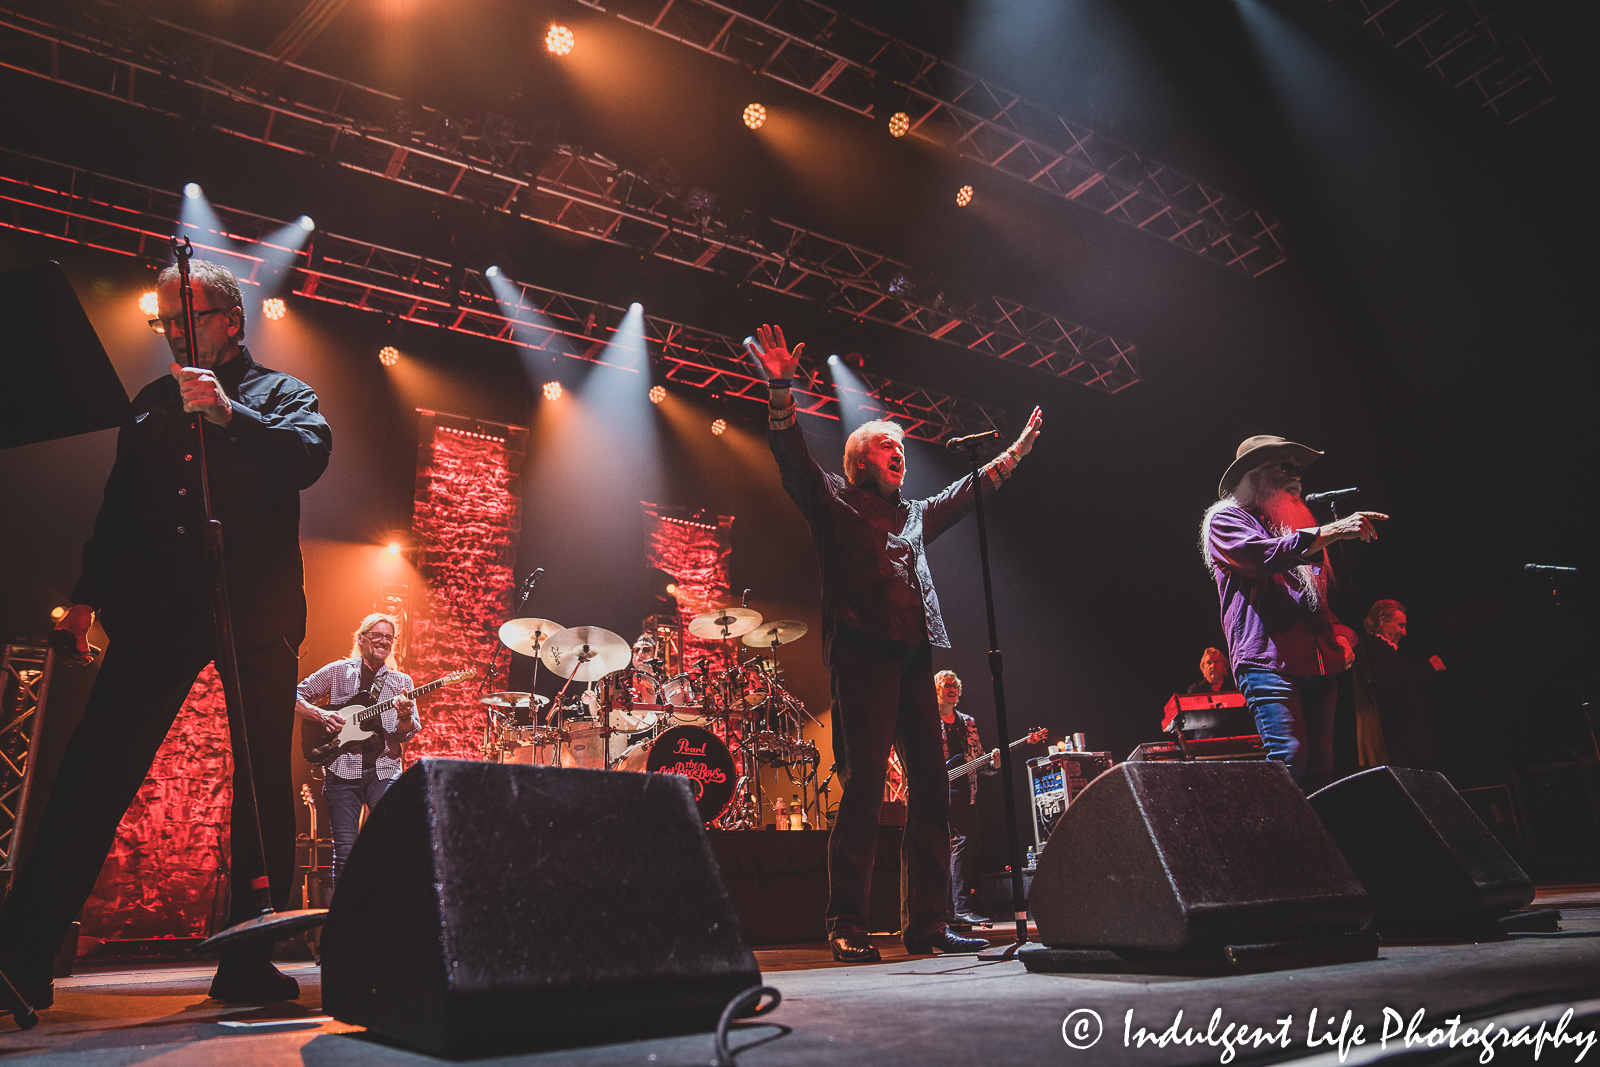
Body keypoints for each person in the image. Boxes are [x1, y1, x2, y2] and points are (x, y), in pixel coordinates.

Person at [0, 260, 332, 1007]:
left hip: (256, 611)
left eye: (188, 317)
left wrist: (229, 416)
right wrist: (86, 599)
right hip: (157, 611)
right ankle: (20, 952)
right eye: (165, 322)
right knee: (95, 767)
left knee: (259, 784)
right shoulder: (150, 404)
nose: (175, 333)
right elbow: (120, 512)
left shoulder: (280, 394)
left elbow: (311, 455)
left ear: (232, 320)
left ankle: (249, 956)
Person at [746, 323, 1042, 961]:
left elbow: (966, 495)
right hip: (861, 648)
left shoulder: (913, 514)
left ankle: (929, 924)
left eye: (901, 449)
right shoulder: (835, 500)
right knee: (866, 786)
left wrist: (1014, 451)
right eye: (887, 448)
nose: (899, 455)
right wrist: (779, 392)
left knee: (933, 790)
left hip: (915, 652)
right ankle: (847, 920)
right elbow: (793, 463)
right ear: (859, 463)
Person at [1200, 435, 1386, 792]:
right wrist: (1331, 530)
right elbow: (1260, 557)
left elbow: (1315, 605)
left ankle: (1316, 846)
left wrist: (1343, 638)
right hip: (1269, 663)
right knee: (1289, 759)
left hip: (1317, 666)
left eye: (1298, 469)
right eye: (1285, 467)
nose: (1297, 477)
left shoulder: (1290, 524)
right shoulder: (1225, 520)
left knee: (1320, 773)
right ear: (1254, 474)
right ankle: (1272, 845)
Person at [295, 614, 417, 897]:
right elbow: (295, 694)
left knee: (395, 842)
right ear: (361, 638)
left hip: (384, 773)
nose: (383, 641)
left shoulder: (401, 681)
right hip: (342, 772)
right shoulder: (338, 671)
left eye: (389, 638)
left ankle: (388, 914)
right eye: (377, 635)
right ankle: (343, 921)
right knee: (346, 852)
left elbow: (406, 734)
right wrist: (321, 714)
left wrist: (405, 717)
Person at [937, 670, 998, 926]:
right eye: (946, 685)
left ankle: (951, 908)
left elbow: (980, 760)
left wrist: (994, 763)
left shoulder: (967, 722)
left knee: (972, 846)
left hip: (967, 792)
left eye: (955, 686)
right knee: (960, 843)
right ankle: (960, 908)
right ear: (936, 691)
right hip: (942, 792)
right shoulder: (928, 719)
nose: (952, 689)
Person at [1353, 599, 1443, 769]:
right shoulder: (1372, 648)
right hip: (1396, 744)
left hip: (1401, 743)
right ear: (1382, 621)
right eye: (1400, 625)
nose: (1404, 632)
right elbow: (1390, 687)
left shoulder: (1380, 649)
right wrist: (1428, 669)